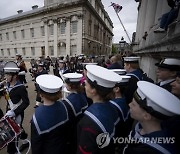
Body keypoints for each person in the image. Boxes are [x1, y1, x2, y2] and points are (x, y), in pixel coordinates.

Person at [123, 81, 180, 154]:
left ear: (146, 116)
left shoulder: (150, 150)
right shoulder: (141, 126)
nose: (129, 104)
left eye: (134, 104)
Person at [77, 65, 121, 154]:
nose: (84, 85)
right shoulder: (114, 108)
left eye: (86, 83)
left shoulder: (89, 121)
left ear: (93, 90)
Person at [31, 74, 70, 154]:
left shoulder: (37, 116)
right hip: (63, 148)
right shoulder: (64, 106)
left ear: (41, 95)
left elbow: (36, 146)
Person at [3, 61, 30, 154]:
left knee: (13, 133)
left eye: (8, 75)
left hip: (17, 112)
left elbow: (26, 102)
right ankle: (25, 139)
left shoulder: (21, 87)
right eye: (5, 74)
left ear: (14, 76)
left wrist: (15, 112)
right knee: (18, 127)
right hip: (9, 110)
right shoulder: (7, 84)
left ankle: (13, 150)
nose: (5, 76)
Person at [62, 73, 88, 153]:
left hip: (73, 133)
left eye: (66, 83)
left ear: (70, 86)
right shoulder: (83, 95)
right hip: (83, 129)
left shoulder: (67, 102)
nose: (65, 85)